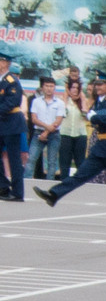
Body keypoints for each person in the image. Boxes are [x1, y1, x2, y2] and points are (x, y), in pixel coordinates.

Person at [38, 75, 106, 227]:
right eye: (97, 84)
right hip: (101, 147)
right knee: (80, 175)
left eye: (101, 84)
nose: (98, 87)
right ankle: (54, 195)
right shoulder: (99, 102)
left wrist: (95, 118)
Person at [29, 72, 66, 184]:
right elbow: (34, 119)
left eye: (51, 86)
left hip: (54, 134)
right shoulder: (36, 101)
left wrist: (46, 132)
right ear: (42, 87)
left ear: (54, 88)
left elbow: (58, 121)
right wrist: (46, 127)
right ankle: (26, 181)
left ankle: (49, 184)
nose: (49, 89)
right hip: (38, 133)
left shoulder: (60, 103)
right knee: (31, 158)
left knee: (52, 161)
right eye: (47, 86)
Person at [0, 53, 26, 201]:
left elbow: (12, 102)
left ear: (6, 63)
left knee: (14, 159)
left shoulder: (12, 80)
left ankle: (17, 192)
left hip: (12, 123)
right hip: (1, 123)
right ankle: (3, 186)